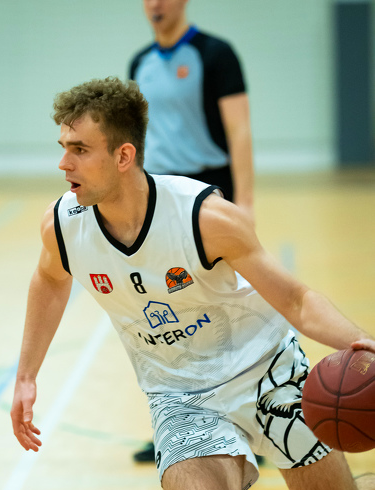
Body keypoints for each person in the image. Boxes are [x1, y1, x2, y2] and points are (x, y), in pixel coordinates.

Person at [10, 77, 375, 490]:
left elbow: (295, 299)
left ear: (123, 155)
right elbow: (50, 280)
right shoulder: (65, 226)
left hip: (266, 372)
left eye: (79, 149)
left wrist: (362, 342)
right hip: (179, 395)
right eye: (62, 147)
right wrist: (26, 374)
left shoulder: (204, 216)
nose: (63, 163)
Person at [129, 0, 254, 462]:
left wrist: (245, 204)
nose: (155, 5)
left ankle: (246, 426)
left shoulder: (215, 54)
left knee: (223, 314)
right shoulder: (140, 63)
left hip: (207, 194)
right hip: (156, 197)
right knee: (165, 317)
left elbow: (239, 131)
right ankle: (173, 427)